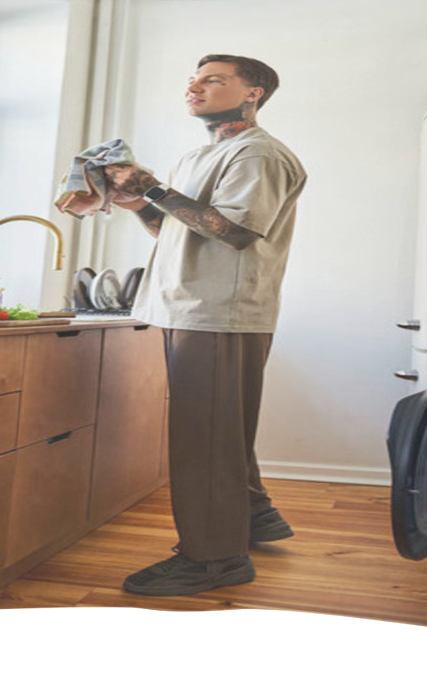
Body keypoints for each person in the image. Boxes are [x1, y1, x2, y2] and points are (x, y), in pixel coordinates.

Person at [103, 54, 307, 596]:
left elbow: (235, 231)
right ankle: (255, 517)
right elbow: (182, 232)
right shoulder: (202, 154)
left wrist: (150, 188)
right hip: (192, 306)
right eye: (192, 78)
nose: (195, 86)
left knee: (206, 435)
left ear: (253, 93)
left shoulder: (257, 152)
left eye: (213, 79)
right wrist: (138, 202)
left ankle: (214, 559)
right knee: (219, 428)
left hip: (220, 311)